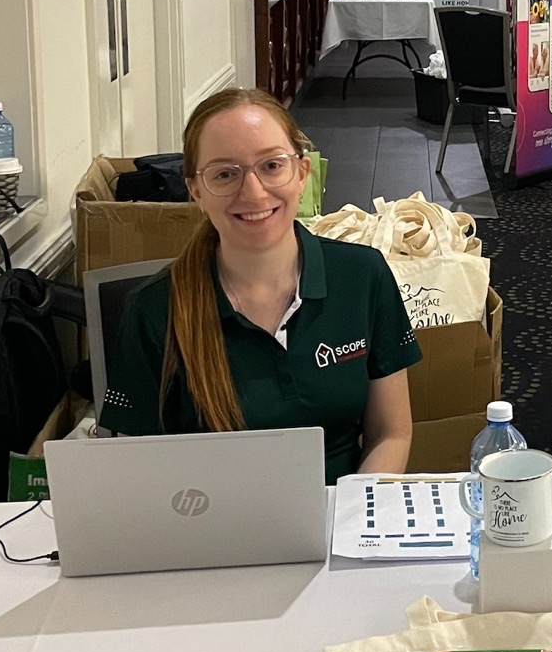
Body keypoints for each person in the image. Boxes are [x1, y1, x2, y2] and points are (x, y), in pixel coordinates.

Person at [98, 88, 417, 481]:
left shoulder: (363, 275)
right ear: (196, 191)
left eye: (271, 165)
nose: (253, 193)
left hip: (344, 509)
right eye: (225, 174)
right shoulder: (153, 310)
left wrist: (355, 507)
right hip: (215, 516)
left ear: (302, 174)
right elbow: (138, 469)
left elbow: (391, 433)